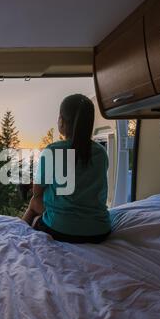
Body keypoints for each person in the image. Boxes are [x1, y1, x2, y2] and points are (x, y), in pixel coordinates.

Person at [22, 94, 111, 244]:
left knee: (34, 202)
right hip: (99, 231)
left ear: (61, 121)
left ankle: (19, 232)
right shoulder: (101, 153)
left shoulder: (52, 151)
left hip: (61, 230)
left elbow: (38, 192)